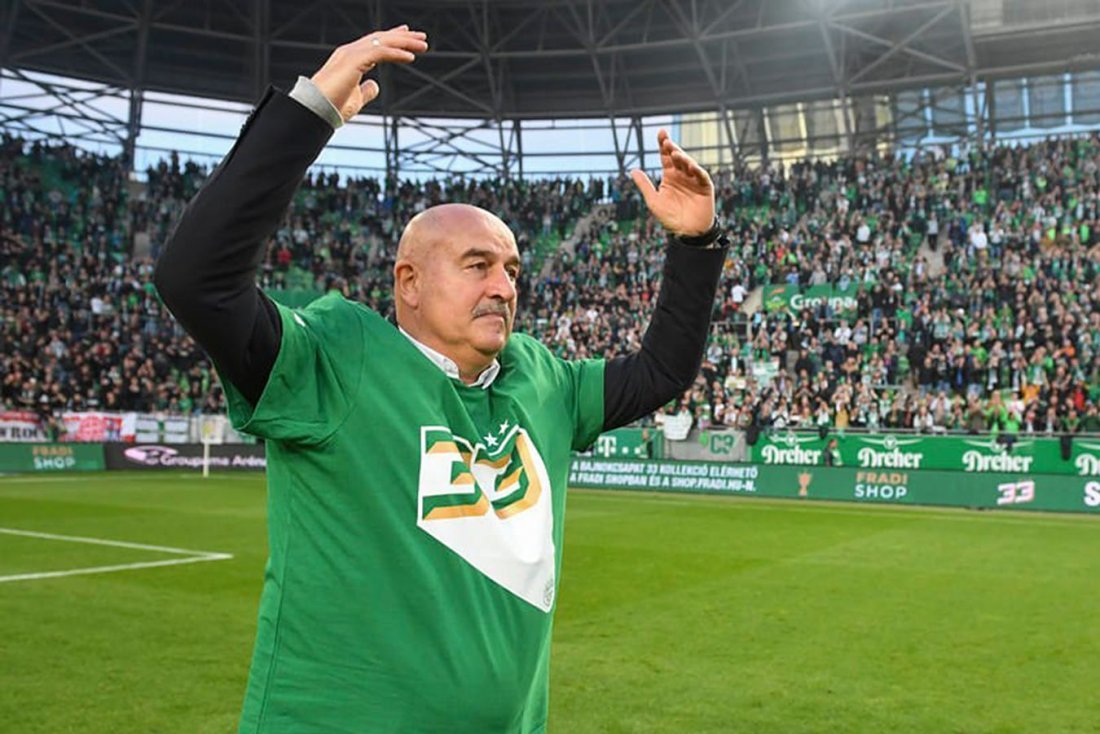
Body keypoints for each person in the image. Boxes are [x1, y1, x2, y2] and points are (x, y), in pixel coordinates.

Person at [154, 26, 728, 734]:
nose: (503, 287)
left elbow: (663, 370)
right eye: (477, 266)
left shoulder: (540, 379)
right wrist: (309, 112)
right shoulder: (334, 361)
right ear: (409, 283)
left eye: (511, 270)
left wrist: (696, 243)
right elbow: (195, 281)